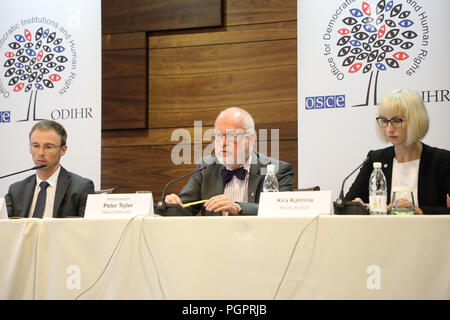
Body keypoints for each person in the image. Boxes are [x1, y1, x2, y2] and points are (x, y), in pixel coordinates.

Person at [165, 107, 295, 215]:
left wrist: (238, 207)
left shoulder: (278, 170)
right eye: (218, 136)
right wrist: (172, 204)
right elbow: (183, 208)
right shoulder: (206, 167)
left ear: (250, 139)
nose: (222, 143)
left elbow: (280, 211)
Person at [345, 89, 450, 214]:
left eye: (396, 121)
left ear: (416, 121)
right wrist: (358, 206)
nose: (389, 129)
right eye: (384, 120)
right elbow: (346, 204)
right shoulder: (375, 158)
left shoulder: (442, 160)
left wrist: (419, 211)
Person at [5, 120, 95, 218]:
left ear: (63, 150)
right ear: (30, 148)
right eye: (35, 146)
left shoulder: (81, 188)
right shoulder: (16, 190)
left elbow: (87, 229)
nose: (41, 153)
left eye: (48, 147)